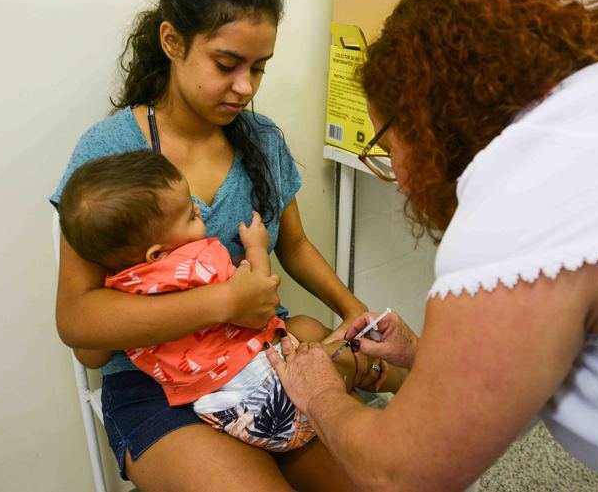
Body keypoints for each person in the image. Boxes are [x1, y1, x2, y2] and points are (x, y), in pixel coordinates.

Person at [266, 0, 598, 492]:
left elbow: (399, 474)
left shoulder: (510, 216)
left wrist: (319, 393)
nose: (398, 176)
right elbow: (527, 354)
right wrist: (428, 355)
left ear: (421, 126)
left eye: (386, 146)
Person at [51, 0, 371, 489]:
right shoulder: (109, 154)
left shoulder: (261, 140)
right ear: (172, 42)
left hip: (262, 360)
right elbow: (78, 321)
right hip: (159, 387)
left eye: (259, 67)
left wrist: (355, 311)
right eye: (227, 64)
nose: (246, 87)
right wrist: (224, 302)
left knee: (378, 476)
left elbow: (294, 245)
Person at [57, 150, 400, 451]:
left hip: (224, 413)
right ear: (157, 253)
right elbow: (258, 297)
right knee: (341, 353)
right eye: (191, 216)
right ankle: (394, 378)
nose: (198, 209)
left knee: (308, 331)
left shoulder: (121, 290)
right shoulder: (196, 262)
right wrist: (255, 247)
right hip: (275, 395)